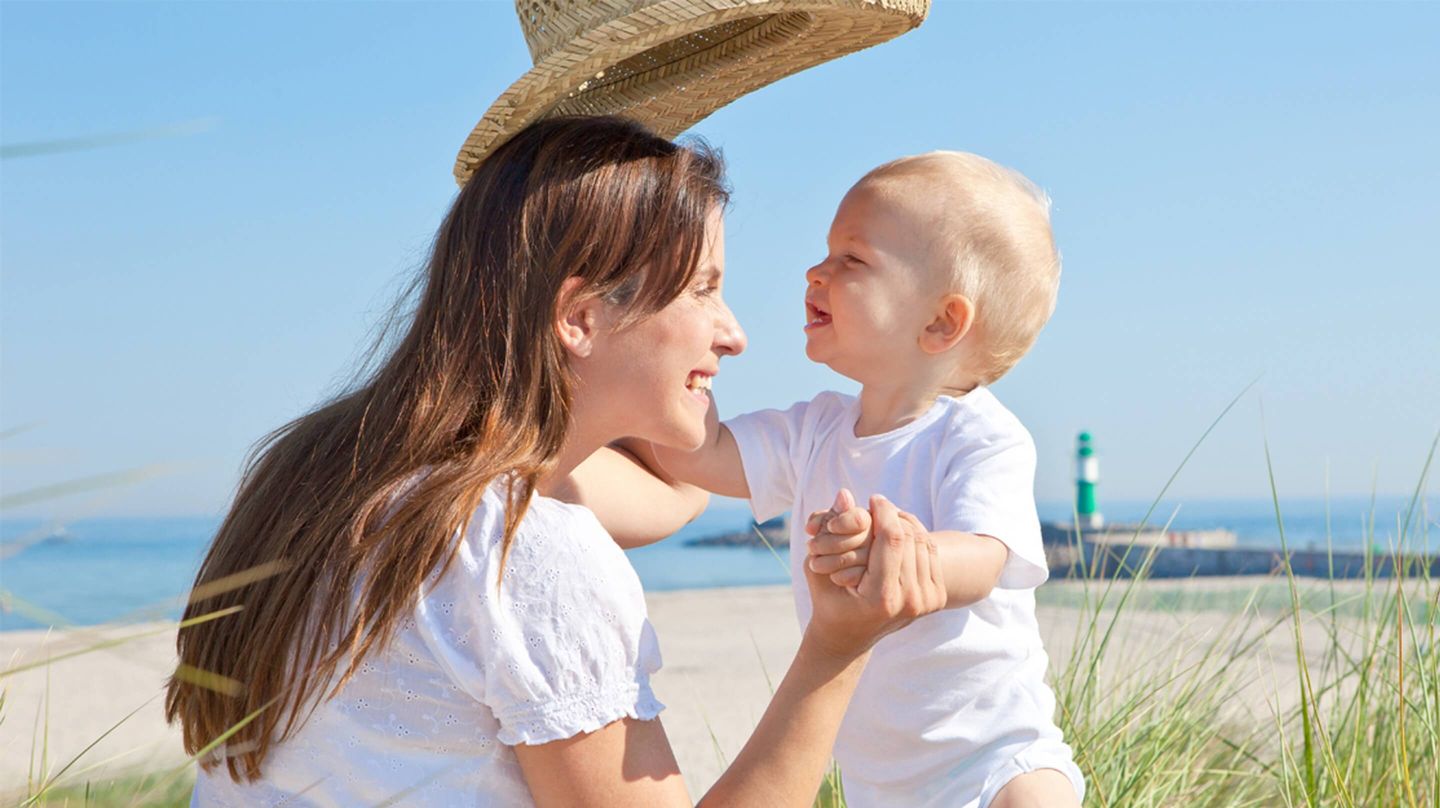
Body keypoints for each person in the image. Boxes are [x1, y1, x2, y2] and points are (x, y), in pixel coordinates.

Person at [164, 116, 946, 807]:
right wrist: (837, 651)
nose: (733, 333)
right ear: (579, 316)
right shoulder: (529, 549)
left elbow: (674, 496)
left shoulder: (332, 470)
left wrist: (668, 420)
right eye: (705, 289)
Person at [652, 151, 1086, 807]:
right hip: (882, 787)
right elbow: (700, 453)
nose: (814, 272)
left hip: (995, 763)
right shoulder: (814, 430)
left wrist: (904, 551)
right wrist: (662, 377)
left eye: (850, 261)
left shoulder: (978, 436)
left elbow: (986, 555)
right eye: (826, 253)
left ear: (941, 322)